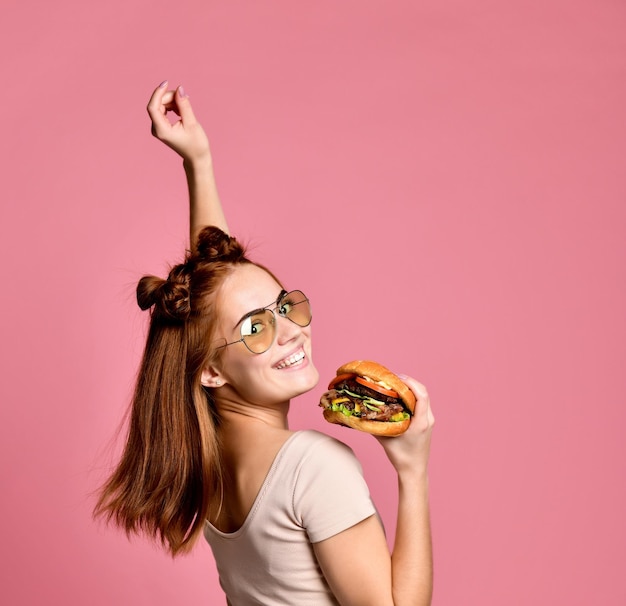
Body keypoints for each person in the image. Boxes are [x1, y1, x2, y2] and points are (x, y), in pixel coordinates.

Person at [95, 81, 435, 606]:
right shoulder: (313, 465)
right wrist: (413, 472)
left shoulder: (206, 462)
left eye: (284, 306)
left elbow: (215, 297)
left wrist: (198, 162)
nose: (291, 329)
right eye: (260, 328)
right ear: (212, 370)